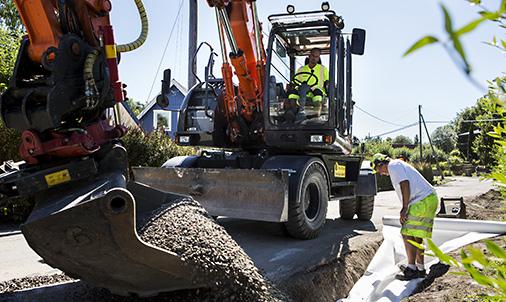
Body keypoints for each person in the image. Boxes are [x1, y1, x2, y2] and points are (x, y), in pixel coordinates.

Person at [371, 153, 438, 280]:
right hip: (428, 199)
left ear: (381, 164)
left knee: (407, 233)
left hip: (421, 201)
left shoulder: (394, 165)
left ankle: (412, 269)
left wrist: (404, 208)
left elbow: (405, 184)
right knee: (417, 235)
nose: (380, 173)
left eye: (378, 170)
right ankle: (420, 269)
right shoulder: (397, 165)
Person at [287, 48, 329, 117]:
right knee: (292, 94)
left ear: (318, 58)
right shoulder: (301, 69)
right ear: (309, 56)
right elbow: (295, 82)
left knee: (318, 95)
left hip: (316, 90)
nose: (314, 58)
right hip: (301, 91)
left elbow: (327, 82)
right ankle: (292, 113)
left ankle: (316, 116)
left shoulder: (323, 69)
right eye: (312, 56)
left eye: (316, 57)